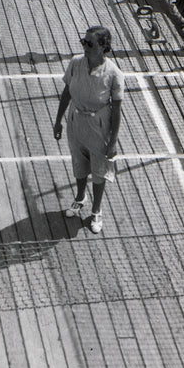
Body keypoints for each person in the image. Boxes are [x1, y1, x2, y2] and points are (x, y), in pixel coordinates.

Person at [53, 26, 124, 234]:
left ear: (103, 47)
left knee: (99, 171)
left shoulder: (113, 74)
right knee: (79, 163)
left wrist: (112, 142)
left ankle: (96, 210)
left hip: (98, 127)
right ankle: (80, 197)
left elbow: (117, 111)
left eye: (90, 43)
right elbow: (67, 92)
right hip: (76, 121)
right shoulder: (76, 63)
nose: (84, 46)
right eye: (83, 42)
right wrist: (58, 121)